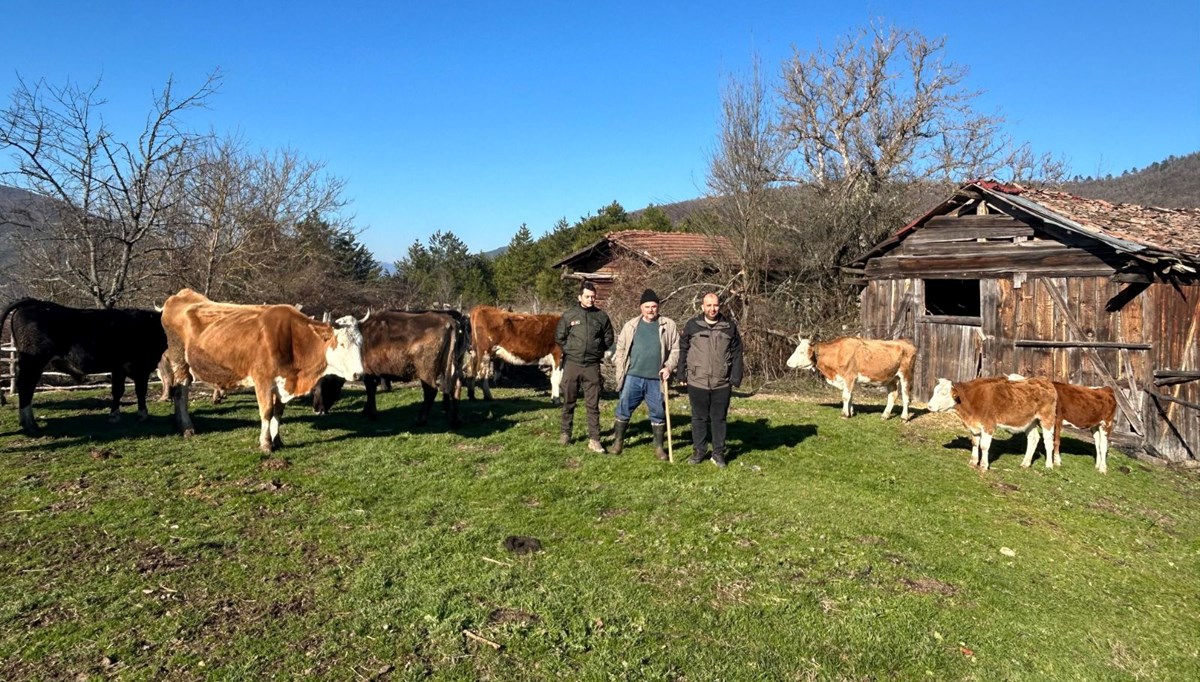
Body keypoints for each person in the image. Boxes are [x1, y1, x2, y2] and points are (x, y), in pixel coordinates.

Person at [676, 293, 744, 468]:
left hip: (721, 382)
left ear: (719, 306)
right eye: (709, 305)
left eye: (715, 305)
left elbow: (737, 353)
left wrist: (736, 376)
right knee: (699, 417)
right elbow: (683, 349)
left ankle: (718, 453)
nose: (712, 309)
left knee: (718, 418)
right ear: (702, 306)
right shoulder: (693, 325)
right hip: (697, 380)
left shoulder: (729, 327)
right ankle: (699, 451)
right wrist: (681, 373)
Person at [611, 289, 679, 460]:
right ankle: (618, 441)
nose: (650, 310)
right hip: (633, 376)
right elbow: (620, 349)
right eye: (647, 306)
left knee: (658, 412)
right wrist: (621, 368)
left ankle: (659, 448)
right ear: (641, 308)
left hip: (656, 379)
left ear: (658, 307)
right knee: (624, 408)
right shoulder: (631, 325)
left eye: (654, 306)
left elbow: (676, 350)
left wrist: (669, 367)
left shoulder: (668, 325)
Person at [555, 281, 615, 453]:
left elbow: (609, 337)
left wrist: (598, 349)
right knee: (569, 401)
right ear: (580, 297)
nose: (591, 300)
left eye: (593, 297)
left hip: (592, 366)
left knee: (593, 404)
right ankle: (566, 433)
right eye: (587, 297)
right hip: (572, 364)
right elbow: (560, 337)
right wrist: (570, 350)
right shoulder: (569, 315)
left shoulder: (601, 316)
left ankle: (595, 439)